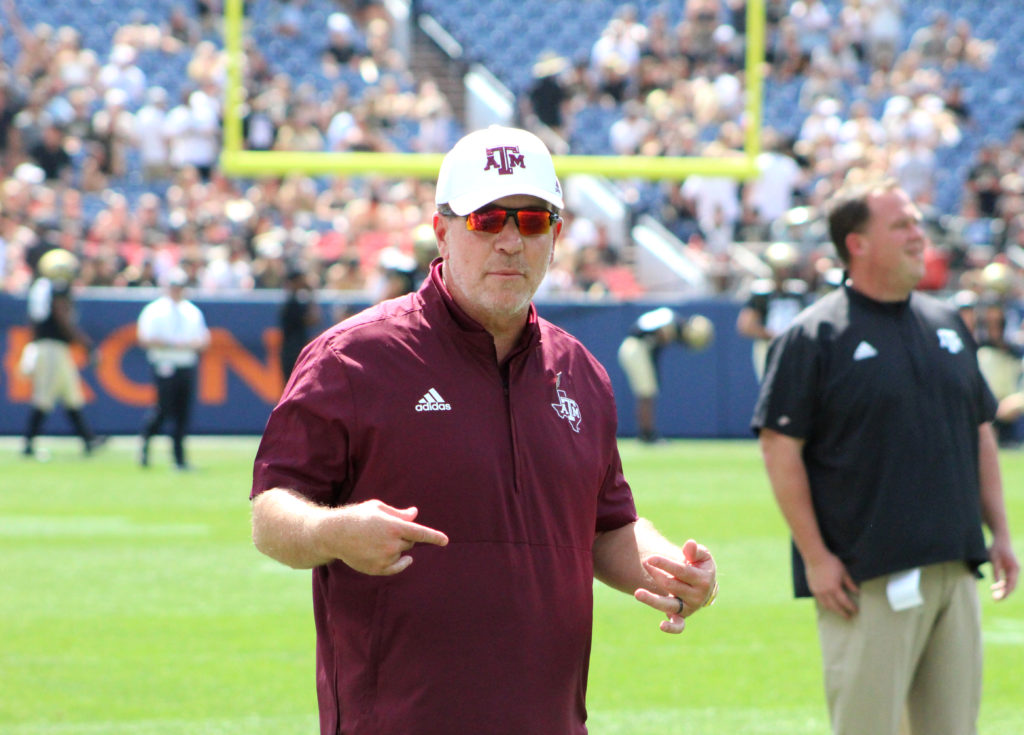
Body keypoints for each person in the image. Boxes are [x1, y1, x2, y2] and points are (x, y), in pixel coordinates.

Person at [249, 125, 718, 735]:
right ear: (442, 230)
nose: (509, 241)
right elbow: (270, 515)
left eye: (531, 221)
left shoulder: (580, 371)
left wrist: (666, 566)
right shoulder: (352, 358)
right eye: (487, 219)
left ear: (556, 235)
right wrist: (335, 530)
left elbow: (606, 526)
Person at [752, 179, 1019, 735]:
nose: (918, 234)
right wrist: (816, 557)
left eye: (917, 222)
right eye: (900, 224)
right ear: (858, 243)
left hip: (954, 566)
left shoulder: (946, 323)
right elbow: (779, 446)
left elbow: (980, 431)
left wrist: (1001, 533)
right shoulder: (814, 335)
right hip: (867, 578)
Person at [21, 248, 107, 460]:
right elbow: (63, 319)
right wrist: (87, 344)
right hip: (52, 347)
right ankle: (28, 444)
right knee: (44, 397)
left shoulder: (39, 287)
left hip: (51, 346)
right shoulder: (56, 288)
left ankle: (88, 439)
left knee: (72, 395)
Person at [136, 268, 210, 470]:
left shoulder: (192, 311)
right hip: (164, 364)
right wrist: (173, 345)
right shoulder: (155, 310)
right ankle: (145, 444)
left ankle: (179, 459)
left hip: (186, 364)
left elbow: (203, 340)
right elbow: (145, 338)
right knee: (164, 409)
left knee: (182, 413)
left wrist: (186, 345)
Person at [618, 307, 714, 442]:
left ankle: (646, 433)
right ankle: (646, 434)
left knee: (648, 392)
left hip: (637, 348)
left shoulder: (671, 318)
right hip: (636, 348)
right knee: (646, 393)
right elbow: (664, 333)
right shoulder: (671, 319)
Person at [736, 241, 810, 381]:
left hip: (794, 347)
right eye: (779, 268)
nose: (783, 273)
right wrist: (771, 335)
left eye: (785, 268)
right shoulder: (762, 294)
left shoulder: (797, 292)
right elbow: (745, 325)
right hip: (768, 346)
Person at [279, 263, 321, 384]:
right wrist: (312, 295)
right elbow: (313, 320)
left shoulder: (294, 302)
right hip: (293, 352)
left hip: (292, 351)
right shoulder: (292, 304)